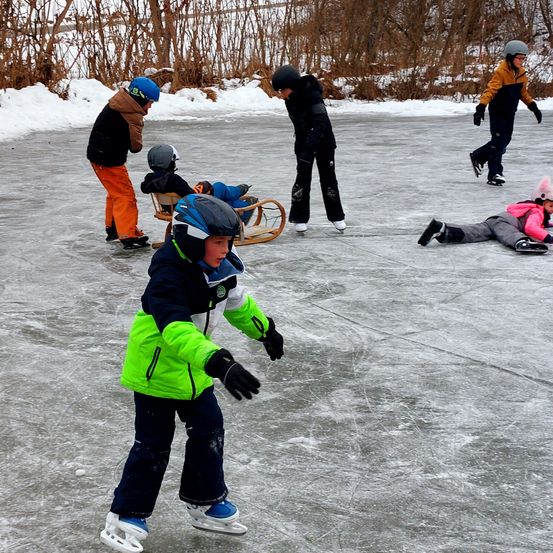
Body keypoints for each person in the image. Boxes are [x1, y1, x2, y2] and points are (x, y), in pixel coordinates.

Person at [99, 194, 284, 553]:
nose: (225, 248)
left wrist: (266, 330)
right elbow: (177, 332)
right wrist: (219, 362)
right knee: (153, 445)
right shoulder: (167, 279)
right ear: (191, 238)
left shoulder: (218, 267)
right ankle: (126, 514)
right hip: (156, 374)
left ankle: (204, 499)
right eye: (218, 242)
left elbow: (237, 302)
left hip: (194, 371)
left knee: (210, 430)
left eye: (228, 241)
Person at [87, 76, 160, 249]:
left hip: (99, 156)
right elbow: (136, 147)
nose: (150, 106)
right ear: (140, 98)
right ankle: (128, 234)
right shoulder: (131, 114)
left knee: (115, 192)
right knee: (125, 196)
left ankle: (114, 228)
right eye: (150, 102)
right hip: (108, 160)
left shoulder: (119, 102)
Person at [271, 64, 346, 233]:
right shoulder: (290, 99)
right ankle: (299, 217)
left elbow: (320, 124)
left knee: (328, 179)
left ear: (291, 86)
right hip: (304, 143)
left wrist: (308, 149)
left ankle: (337, 216)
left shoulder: (312, 95)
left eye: (282, 90)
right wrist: (302, 149)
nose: (281, 95)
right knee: (302, 179)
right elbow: (300, 126)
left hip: (324, 142)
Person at [470, 40, 542, 187]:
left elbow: (522, 93)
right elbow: (490, 90)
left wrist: (533, 106)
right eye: (519, 58)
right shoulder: (501, 73)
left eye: (523, 58)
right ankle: (495, 174)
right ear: (510, 56)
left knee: (505, 141)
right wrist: (481, 107)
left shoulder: (521, 73)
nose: (521, 61)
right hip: (498, 112)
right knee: (498, 143)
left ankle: (478, 156)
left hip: (510, 112)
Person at [417, 176, 553, 254]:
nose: (552, 210)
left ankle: (441, 229)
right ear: (540, 201)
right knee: (509, 233)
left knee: (473, 232)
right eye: (551, 205)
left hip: (494, 221)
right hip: (505, 224)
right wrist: (548, 238)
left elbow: (538, 223)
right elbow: (531, 227)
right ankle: (521, 243)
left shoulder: (532, 209)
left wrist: (548, 224)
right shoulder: (537, 211)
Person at [140, 143, 256, 222]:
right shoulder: (174, 180)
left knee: (224, 198)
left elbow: (143, 188)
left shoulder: (150, 179)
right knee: (219, 187)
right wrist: (203, 187)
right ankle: (241, 197)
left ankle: (241, 206)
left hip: (172, 208)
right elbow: (190, 195)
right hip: (192, 208)